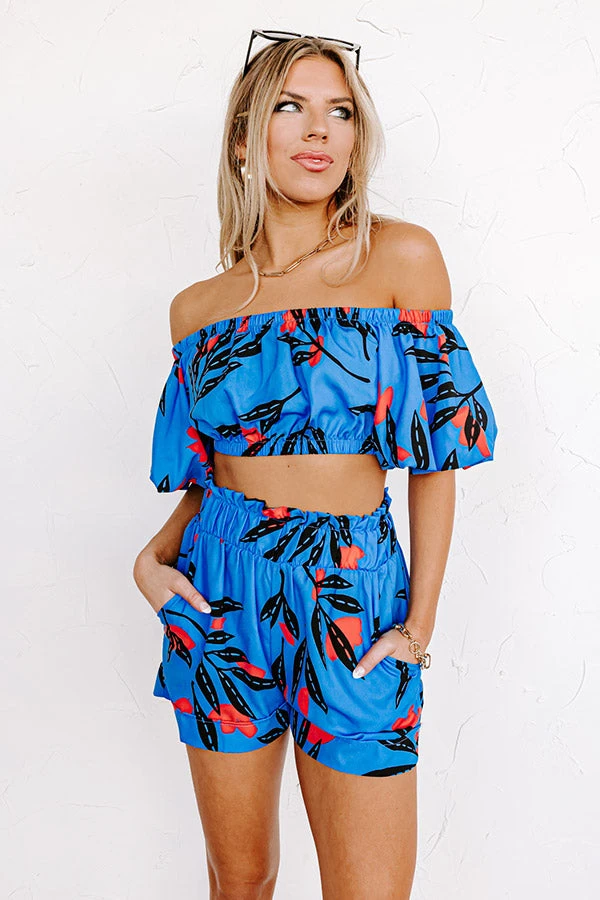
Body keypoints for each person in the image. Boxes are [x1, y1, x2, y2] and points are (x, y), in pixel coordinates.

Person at [133, 30, 498, 900]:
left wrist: (418, 625)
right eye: (291, 107)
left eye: (340, 112)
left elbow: (436, 455)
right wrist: (151, 559)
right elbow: (215, 472)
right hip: (221, 588)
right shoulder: (199, 310)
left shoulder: (401, 258)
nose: (319, 130)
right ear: (243, 138)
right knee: (240, 879)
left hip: (351, 586)